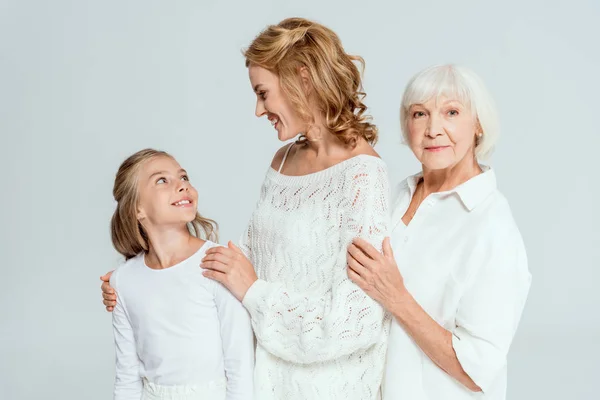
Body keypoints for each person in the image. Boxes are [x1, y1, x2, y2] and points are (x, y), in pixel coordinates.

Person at [102, 18, 391, 400]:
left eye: (263, 92)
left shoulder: (363, 176)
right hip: (263, 382)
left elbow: (356, 322)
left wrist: (254, 292)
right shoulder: (284, 160)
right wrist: (141, 282)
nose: (258, 110)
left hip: (327, 388)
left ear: (302, 79)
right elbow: (243, 258)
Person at [346, 64, 532, 400]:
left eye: (451, 112)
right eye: (420, 114)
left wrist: (397, 298)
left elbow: (478, 371)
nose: (433, 129)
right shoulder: (398, 195)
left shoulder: (492, 226)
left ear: (478, 125)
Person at [107, 148, 254, 400]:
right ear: (138, 208)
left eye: (184, 177)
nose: (182, 185)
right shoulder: (123, 281)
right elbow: (127, 377)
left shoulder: (217, 262)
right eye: (162, 180)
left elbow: (241, 365)